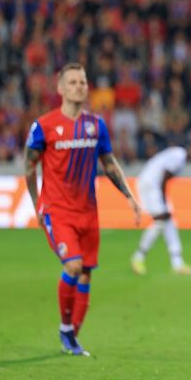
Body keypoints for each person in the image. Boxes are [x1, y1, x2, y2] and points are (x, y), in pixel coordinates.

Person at [24, 63, 141, 357]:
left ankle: (72, 335)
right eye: (73, 82)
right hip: (57, 210)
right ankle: (66, 329)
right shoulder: (44, 126)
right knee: (73, 266)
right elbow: (29, 166)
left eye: (83, 82)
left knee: (86, 273)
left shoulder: (96, 125)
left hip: (88, 212)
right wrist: (36, 203)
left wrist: (128, 195)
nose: (79, 86)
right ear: (60, 88)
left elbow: (109, 163)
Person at [130, 146, 191, 275]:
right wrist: (162, 200)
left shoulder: (178, 155)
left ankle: (177, 263)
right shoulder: (180, 155)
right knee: (161, 220)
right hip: (150, 185)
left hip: (153, 185)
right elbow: (164, 175)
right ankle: (138, 257)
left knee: (169, 221)